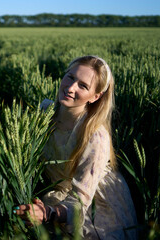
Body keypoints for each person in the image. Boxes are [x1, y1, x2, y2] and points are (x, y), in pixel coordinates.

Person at [13, 56, 138, 239]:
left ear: (96, 97)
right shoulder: (44, 112)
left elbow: (80, 201)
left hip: (92, 203)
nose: (70, 88)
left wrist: (47, 213)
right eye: (70, 77)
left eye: (83, 86)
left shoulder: (95, 136)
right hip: (54, 195)